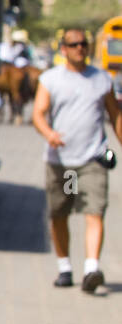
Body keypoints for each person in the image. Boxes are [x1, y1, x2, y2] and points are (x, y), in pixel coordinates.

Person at [31, 27, 122, 292]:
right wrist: (49, 134)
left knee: (95, 211)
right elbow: (38, 112)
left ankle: (92, 268)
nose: (80, 48)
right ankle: (64, 267)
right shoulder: (50, 79)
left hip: (92, 159)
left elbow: (115, 115)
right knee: (60, 214)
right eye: (74, 44)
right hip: (61, 163)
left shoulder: (102, 79)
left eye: (84, 44)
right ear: (64, 49)